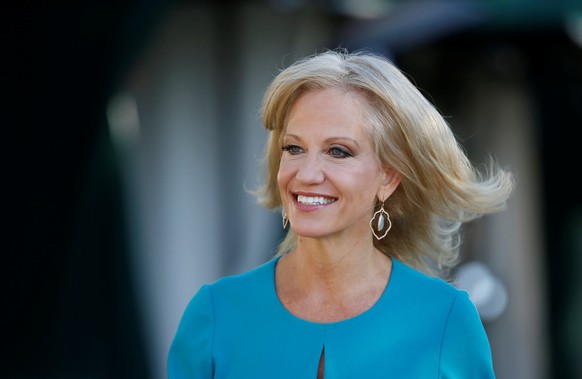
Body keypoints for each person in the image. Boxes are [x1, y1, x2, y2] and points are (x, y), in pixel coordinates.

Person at [167, 48, 514, 378]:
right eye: (294, 148)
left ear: (388, 176)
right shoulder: (215, 314)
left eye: (338, 151)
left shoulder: (446, 320)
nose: (306, 174)